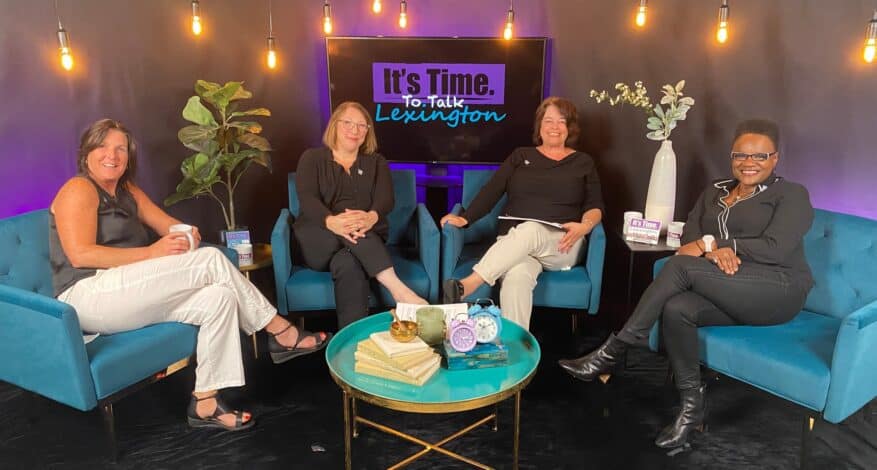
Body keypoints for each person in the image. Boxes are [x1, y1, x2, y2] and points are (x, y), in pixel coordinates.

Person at [51, 119, 331, 432]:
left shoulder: (126, 189)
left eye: (120, 148)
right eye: (102, 146)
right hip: (87, 296)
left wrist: (186, 234)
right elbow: (81, 254)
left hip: (127, 289)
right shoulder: (78, 189)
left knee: (219, 298)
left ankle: (205, 401)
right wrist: (151, 253)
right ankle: (280, 331)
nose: (111, 155)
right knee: (211, 260)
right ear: (86, 152)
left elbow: (167, 225)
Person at [559, 119, 814, 448]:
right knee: (678, 308)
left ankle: (616, 348)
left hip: (778, 290)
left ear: (775, 159)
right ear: (731, 156)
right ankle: (691, 411)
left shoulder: (791, 194)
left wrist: (722, 246)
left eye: (760, 156)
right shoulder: (716, 190)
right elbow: (690, 240)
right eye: (741, 155)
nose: (748, 163)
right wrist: (713, 251)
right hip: (726, 283)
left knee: (679, 267)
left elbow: (776, 247)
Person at [440, 96, 604, 329]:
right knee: (516, 278)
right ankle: (515, 350)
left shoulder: (583, 162)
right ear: (540, 126)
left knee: (530, 229)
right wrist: (465, 218)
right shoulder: (521, 156)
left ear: (570, 127)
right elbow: (492, 190)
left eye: (561, 121)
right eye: (548, 121)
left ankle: (468, 284)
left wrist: (585, 226)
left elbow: (596, 205)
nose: (554, 127)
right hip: (515, 244)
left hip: (562, 243)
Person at [293, 102, 427, 328]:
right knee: (350, 226)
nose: (354, 130)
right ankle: (399, 290)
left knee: (349, 264)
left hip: (360, 239)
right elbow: (307, 198)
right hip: (319, 238)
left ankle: (352, 341)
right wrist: (331, 221)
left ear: (367, 132)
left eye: (361, 126)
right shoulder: (312, 158)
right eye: (348, 123)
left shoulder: (376, 162)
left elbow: (386, 199)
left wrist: (371, 217)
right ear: (335, 125)